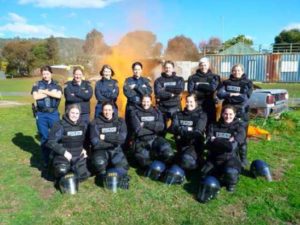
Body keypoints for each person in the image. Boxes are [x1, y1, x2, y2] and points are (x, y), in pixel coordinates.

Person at [201, 105, 245, 192]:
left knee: (231, 172)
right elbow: (208, 143)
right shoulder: (213, 125)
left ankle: (231, 183)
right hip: (214, 157)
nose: (228, 116)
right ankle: (220, 174)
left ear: (234, 114)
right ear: (222, 114)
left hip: (230, 158)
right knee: (203, 174)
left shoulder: (239, 128)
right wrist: (227, 141)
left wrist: (215, 140)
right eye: (225, 114)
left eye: (230, 114)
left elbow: (231, 147)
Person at [217, 64, 253, 168]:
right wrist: (231, 95)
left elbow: (245, 97)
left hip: (241, 114)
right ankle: (226, 156)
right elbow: (220, 94)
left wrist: (229, 95)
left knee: (242, 138)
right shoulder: (226, 82)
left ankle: (243, 159)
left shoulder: (248, 83)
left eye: (238, 70)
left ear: (242, 71)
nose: (236, 72)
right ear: (232, 71)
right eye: (234, 70)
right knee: (226, 135)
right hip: (227, 114)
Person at [46, 104, 90, 183]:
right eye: (72, 113)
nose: (74, 115)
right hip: (64, 155)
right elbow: (50, 142)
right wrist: (64, 152)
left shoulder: (83, 125)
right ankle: (62, 170)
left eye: (77, 113)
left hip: (78, 155)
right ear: (67, 112)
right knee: (61, 170)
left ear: (79, 114)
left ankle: (73, 168)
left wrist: (85, 149)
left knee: (83, 176)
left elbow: (86, 140)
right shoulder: (60, 124)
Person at [130, 95, 174, 168]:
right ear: (141, 101)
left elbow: (161, 127)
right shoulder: (134, 112)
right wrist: (154, 128)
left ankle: (160, 160)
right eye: (144, 101)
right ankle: (151, 156)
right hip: (141, 141)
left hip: (154, 139)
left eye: (147, 101)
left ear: (151, 102)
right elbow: (138, 130)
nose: (145, 103)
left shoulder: (156, 112)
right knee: (145, 163)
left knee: (168, 152)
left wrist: (145, 124)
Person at [31, 65, 62, 168]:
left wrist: (43, 92)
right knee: (44, 137)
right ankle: (46, 160)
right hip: (41, 114)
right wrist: (50, 93)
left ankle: (56, 158)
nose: (45, 76)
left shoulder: (56, 84)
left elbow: (58, 95)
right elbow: (35, 96)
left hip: (53, 113)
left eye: (47, 73)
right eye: (43, 74)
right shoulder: (37, 84)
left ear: (51, 73)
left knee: (56, 136)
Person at [90, 102, 129, 178]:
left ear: (113, 110)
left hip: (115, 149)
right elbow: (95, 142)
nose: (107, 112)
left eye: (109, 110)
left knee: (123, 169)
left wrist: (105, 137)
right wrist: (114, 141)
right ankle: (103, 172)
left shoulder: (120, 121)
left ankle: (111, 165)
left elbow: (122, 139)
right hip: (101, 150)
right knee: (99, 163)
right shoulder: (95, 122)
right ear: (102, 110)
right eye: (105, 110)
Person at [169, 94, 207, 170]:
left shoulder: (202, 115)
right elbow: (173, 128)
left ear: (196, 102)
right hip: (181, 145)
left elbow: (197, 132)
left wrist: (181, 129)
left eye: (191, 101)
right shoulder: (178, 114)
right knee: (169, 160)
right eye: (187, 101)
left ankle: (198, 161)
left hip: (194, 146)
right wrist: (189, 129)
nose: (189, 104)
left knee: (186, 161)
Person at [123, 62, 152, 149]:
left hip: (142, 108)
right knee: (129, 127)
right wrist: (141, 91)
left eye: (138, 69)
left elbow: (148, 92)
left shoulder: (146, 81)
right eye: (135, 69)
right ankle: (127, 147)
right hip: (131, 107)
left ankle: (140, 146)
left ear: (141, 70)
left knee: (141, 126)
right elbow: (128, 93)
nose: (137, 71)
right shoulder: (128, 80)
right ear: (133, 70)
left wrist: (136, 87)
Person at [154, 60, 184, 135]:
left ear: (173, 68)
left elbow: (179, 90)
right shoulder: (158, 80)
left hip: (175, 107)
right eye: (166, 67)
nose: (168, 69)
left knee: (176, 128)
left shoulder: (179, 79)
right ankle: (162, 145)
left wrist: (165, 88)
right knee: (161, 129)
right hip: (162, 107)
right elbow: (158, 94)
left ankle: (179, 145)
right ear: (164, 68)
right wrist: (171, 94)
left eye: (169, 67)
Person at [188, 57, 220, 126]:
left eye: (205, 65)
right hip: (197, 104)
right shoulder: (192, 77)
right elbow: (190, 91)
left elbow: (212, 88)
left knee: (210, 124)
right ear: (199, 66)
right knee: (197, 123)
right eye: (201, 65)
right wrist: (207, 88)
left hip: (210, 103)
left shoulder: (215, 77)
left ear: (208, 65)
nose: (203, 67)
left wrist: (198, 86)